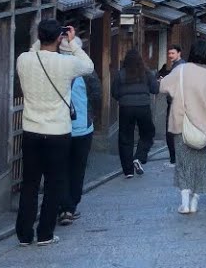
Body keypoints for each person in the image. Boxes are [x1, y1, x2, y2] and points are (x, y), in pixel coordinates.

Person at [14, 20, 93, 247]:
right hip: (58, 132)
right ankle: (45, 233)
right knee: (54, 183)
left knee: (29, 183)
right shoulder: (65, 63)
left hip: (31, 130)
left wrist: (46, 37)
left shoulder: (24, 60)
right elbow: (88, 66)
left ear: (39, 37)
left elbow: (33, 52)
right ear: (59, 38)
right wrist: (72, 42)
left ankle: (24, 234)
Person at [160, 39, 206, 215]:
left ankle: (185, 204)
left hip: (182, 124)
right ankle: (195, 203)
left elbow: (163, 86)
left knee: (184, 164)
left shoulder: (181, 70)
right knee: (202, 166)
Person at [58, 66, 101, 225]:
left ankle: (62, 207)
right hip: (82, 128)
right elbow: (97, 96)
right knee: (77, 169)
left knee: (60, 169)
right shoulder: (86, 71)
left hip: (58, 128)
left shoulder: (56, 68)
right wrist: (91, 115)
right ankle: (70, 207)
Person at [112, 48, 159, 178]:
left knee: (125, 138)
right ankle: (138, 157)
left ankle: (128, 171)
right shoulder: (146, 72)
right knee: (148, 133)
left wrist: (123, 98)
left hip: (126, 107)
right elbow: (155, 89)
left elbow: (114, 93)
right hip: (143, 107)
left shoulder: (120, 74)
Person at [158, 45, 184, 166]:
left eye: (173, 53)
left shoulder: (179, 66)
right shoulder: (178, 65)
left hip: (176, 102)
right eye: (169, 54)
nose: (170, 56)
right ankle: (177, 157)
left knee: (171, 131)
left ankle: (174, 158)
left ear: (179, 53)